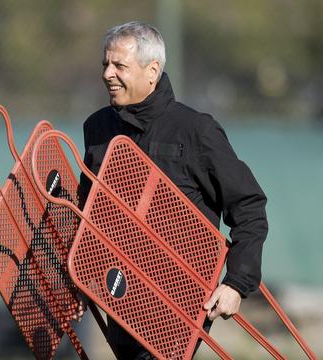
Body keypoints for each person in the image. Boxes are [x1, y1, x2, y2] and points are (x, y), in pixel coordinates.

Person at [77, 21, 268, 359]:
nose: (108, 73)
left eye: (119, 65)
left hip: (177, 302)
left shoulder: (196, 130)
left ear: (153, 71)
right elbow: (87, 208)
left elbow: (249, 206)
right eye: (105, 64)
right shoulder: (97, 128)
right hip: (119, 292)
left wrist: (236, 282)